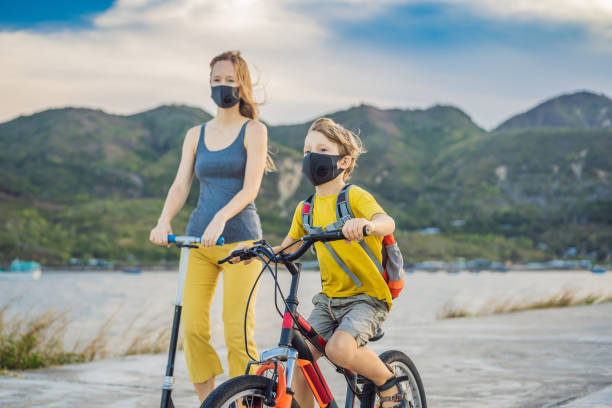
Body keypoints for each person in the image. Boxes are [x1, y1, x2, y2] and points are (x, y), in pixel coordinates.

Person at [233, 117, 407, 407]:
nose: (311, 156)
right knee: (301, 357)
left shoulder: (353, 196)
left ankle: (388, 383)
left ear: (343, 161)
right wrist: (251, 250)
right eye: (306, 150)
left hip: (367, 298)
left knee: (339, 350)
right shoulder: (306, 209)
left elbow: (386, 221)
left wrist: (366, 224)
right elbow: (286, 248)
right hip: (328, 301)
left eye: (321, 149)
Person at [149, 50, 273, 403]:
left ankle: (246, 400)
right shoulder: (195, 134)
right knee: (192, 329)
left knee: (237, 332)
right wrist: (163, 220)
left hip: (241, 243)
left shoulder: (254, 130)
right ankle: (212, 402)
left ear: (242, 84)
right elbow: (180, 186)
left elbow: (251, 188)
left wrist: (222, 217)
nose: (222, 86)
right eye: (216, 80)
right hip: (197, 242)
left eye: (229, 80)